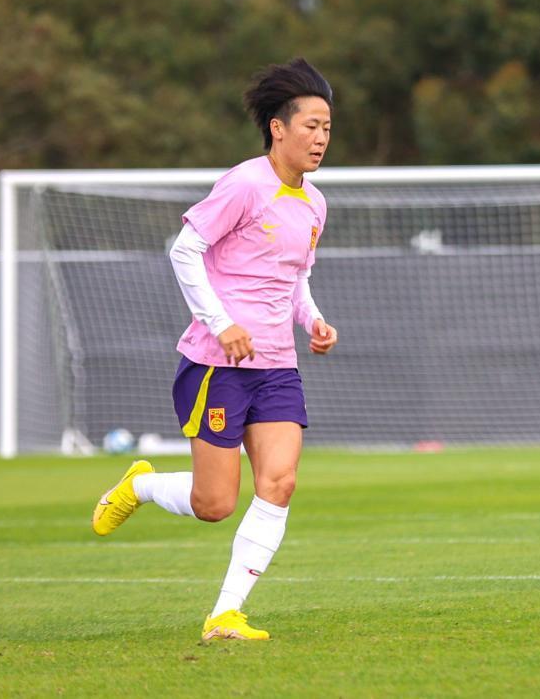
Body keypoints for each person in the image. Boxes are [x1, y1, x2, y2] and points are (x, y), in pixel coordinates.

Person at [91, 58, 338, 641]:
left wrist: (314, 320)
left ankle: (225, 613)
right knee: (215, 504)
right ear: (278, 128)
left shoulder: (315, 203)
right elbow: (185, 250)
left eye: (327, 127)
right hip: (216, 364)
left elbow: (295, 278)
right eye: (311, 125)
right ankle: (141, 485)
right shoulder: (245, 184)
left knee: (279, 482)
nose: (321, 138)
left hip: (277, 366)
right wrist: (221, 323)